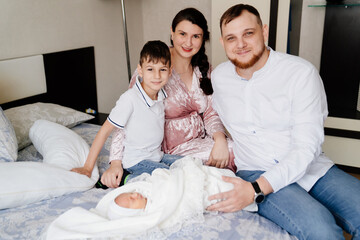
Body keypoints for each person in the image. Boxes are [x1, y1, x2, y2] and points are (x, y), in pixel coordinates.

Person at [207, 4, 360, 240]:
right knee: (322, 230)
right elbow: (212, 112)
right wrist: (218, 137)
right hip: (256, 169)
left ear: (264, 32)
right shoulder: (219, 77)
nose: (240, 44)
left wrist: (255, 190)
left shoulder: (300, 73)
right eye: (231, 38)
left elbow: (306, 147)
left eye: (248, 33)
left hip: (312, 169)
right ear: (222, 42)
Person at [104, 8, 236, 188]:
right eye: (182, 34)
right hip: (167, 149)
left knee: (235, 151)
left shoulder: (203, 68)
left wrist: (219, 140)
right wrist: (115, 163)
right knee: (205, 175)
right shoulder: (155, 68)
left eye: (196, 36)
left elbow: (211, 114)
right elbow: (126, 120)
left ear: (203, 39)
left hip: (200, 141)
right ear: (172, 33)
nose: (188, 42)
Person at [45, 156, 257, 240]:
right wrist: (114, 162)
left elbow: (160, 180)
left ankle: (127, 178)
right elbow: (173, 202)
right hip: (153, 159)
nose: (136, 195)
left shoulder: (147, 192)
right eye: (132, 200)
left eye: (130, 194)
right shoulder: (153, 211)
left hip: (168, 160)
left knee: (160, 169)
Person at [72, 40, 182, 184]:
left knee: (192, 165)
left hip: (157, 156)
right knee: (173, 178)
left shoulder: (160, 94)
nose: (157, 76)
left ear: (170, 71)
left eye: (162, 69)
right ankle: (128, 179)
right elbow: (105, 131)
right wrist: (88, 167)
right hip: (137, 161)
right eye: (150, 69)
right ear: (140, 70)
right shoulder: (130, 99)